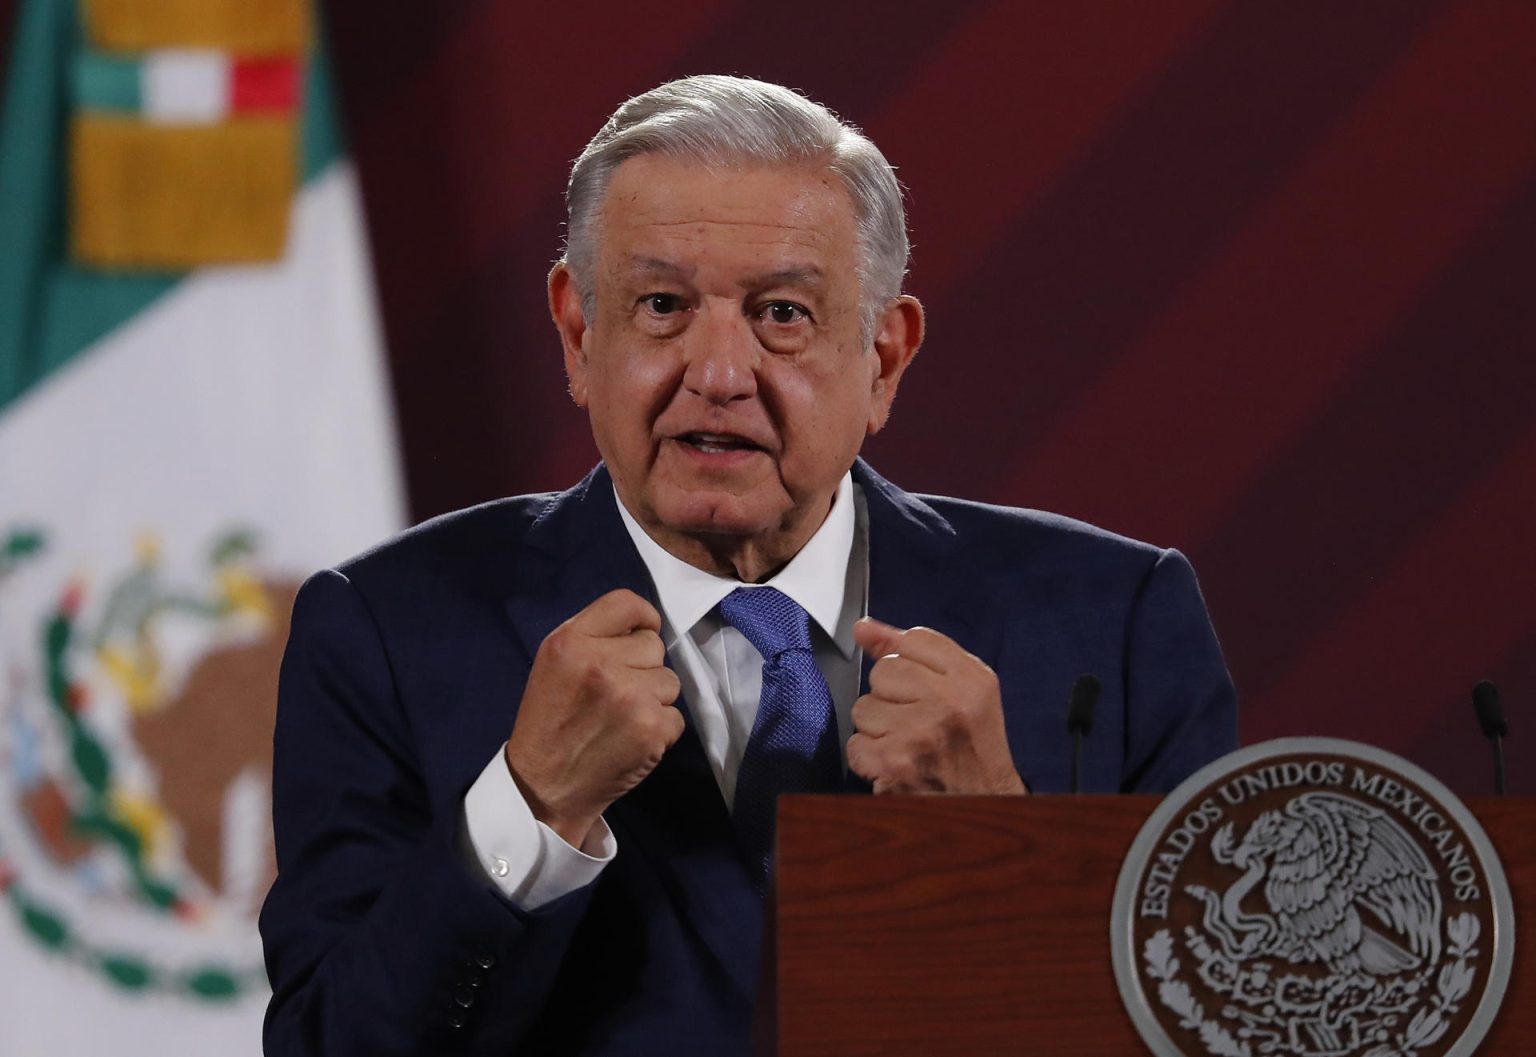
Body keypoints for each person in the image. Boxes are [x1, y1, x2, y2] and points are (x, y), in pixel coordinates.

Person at [259, 75, 1237, 1056]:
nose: (718, 374)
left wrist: (999, 863)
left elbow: (1222, 1034)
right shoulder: (385, 633)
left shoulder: (1116, 630)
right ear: (577, 332)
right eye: (661, 305)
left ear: (885, 357)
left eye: (780, 313)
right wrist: (526, 809)